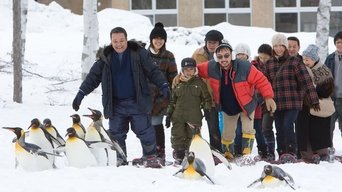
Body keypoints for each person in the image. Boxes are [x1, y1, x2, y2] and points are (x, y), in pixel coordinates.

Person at [72, 27, 170, 168]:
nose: (119, 44)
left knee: (145, 131)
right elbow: (93, 77)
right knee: (116, 133)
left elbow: (153, 71)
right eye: (115, 41)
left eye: (121, 40)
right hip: (116, 104)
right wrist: (81, 93)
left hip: (138, 101)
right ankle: (120, 158)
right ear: (111, 41)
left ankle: (150, 156)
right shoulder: (105, 58)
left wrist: (164, 85)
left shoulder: (139, 53)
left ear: (126, 39)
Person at [196, 41, 276, 162]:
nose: (224, 59)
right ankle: (228, 155)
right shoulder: (212, 67)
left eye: (227, 56)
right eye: (220, 57)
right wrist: (183, 73)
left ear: (232, 55)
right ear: (216, 58)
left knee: (248, 129)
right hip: (228, 107)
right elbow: (194, 70)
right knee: (227, 134)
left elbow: (261, 80)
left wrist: (268, 97)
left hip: (246, 104)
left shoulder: (244, 66)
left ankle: (246, 155)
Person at [261, 33, 320, 161]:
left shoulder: (295, 62)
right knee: (279, 128)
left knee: (287, 125)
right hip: (277, 103)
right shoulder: (269, 64)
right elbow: (264, 84)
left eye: (281, 45)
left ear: (285, 46)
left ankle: (292, 151)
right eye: (275, 46)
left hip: (293, 101)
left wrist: (313, 99)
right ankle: (282, 152)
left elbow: (306, 81)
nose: (278, 48)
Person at [165, 57, 212, 164]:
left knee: (193, 137)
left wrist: (207, 110)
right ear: (182, 70)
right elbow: (172, 101)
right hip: (178, 116)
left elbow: (206, 99)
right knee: (178, 136)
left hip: (193, 116)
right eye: (186, 69)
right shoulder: (178, 83)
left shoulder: (199, 83)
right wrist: (168, 114)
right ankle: (179, 156)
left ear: (195, 69)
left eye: (191, 69)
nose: (188, 72)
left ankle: (191, 155)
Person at [296, 44, 334, 163]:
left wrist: (313, 91)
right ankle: (306, 154)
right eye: (304, 59)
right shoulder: (302, 69)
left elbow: (327, 89)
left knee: (319, 131)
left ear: (314, 59)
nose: (305, 62)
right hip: (305, 107)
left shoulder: (323, 70)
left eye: (307, 59)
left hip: (319, 107)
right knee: (304, 131)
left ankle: (322, 153)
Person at [147, 22, 178, 160]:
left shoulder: (169, 56)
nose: (158, 41)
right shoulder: (144, 54)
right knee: (146, 126)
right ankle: (149, 152)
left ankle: (160, 152)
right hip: (146, 96)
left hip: (162, 97)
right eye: (156, 39)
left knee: (156, 123)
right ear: (151, 40)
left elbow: (173, 77)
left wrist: (171, 95)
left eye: (161, 39)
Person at [191, 29, 224, 153]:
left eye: (214, 43)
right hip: (204, 95)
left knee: (220, 126)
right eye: (209, 42)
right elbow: (189, 71)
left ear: (219, 43)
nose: (211, 45)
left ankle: (222, 150)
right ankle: (207, 150)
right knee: (205, 124)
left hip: (221, 95)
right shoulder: (198, 54)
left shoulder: (225, 54)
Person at [325, 31, 342, 141]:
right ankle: (329, 150)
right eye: (338, 42)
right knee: (328, 126)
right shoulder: (330, 58)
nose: (340, 44)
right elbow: (324, 77)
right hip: (332, 98)